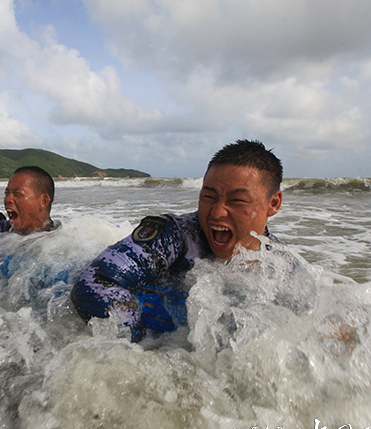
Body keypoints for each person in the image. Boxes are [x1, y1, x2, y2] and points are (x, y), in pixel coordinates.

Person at [70, 139, 285, 341]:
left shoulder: (283, 264)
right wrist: (145, 348)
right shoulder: (176, 236)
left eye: (237, 200)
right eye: (208, 197)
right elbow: (93, 285)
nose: (217, 212)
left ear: (273, 204)